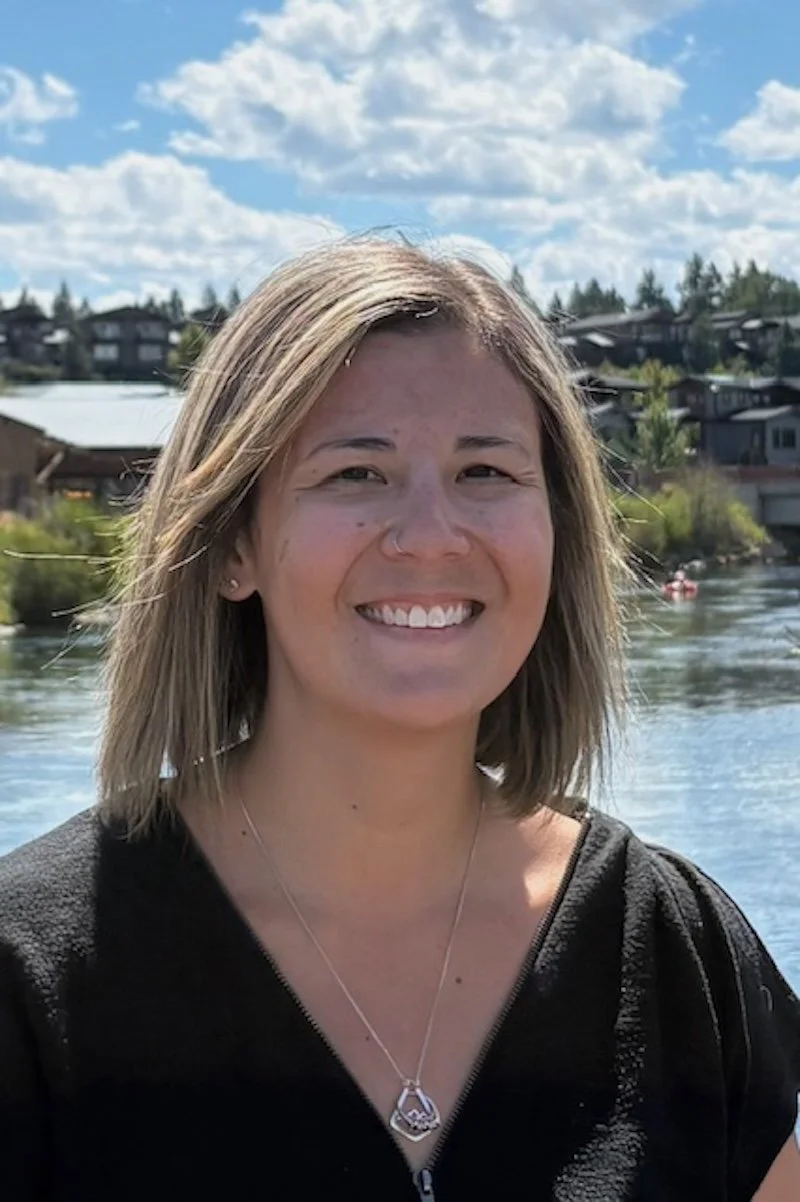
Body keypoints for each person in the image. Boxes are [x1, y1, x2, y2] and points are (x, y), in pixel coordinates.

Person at [0, 239, 798, 1202]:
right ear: (230, 547)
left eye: (486, 473)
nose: (429, 535)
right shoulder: (33, 981)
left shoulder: (679, 956)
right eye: (355, 475)